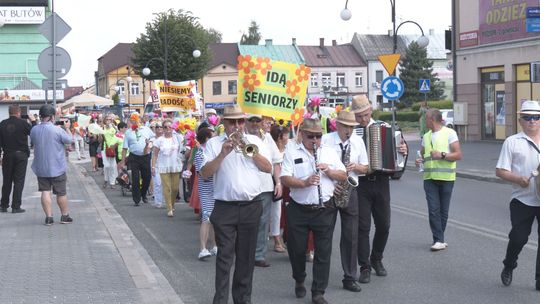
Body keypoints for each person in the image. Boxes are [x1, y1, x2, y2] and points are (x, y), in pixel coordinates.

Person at [200, 105, 272, 304]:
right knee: (224, 257)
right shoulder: (214, 143)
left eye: (241, 122)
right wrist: (222, 154)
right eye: (232, 122)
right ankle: (220, 300)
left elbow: (268, 168)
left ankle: (242, 299)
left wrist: (251, 152)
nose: (237, 126)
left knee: (246, 258)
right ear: (224, 123)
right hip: (225, 207)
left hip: (251, 206)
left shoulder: (255, 141)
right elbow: (204, 173)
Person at [281, 118, 346, 304]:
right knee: (297, 249)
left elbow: (343, 174)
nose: (315, 140)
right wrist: (304, 182)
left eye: (319, 136)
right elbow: (285, 178)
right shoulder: (291, 152)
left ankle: (318, 291)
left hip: (325, 208)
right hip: (298, 208)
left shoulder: (329, 152)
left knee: (323, 252)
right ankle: (299, 278)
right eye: (311, 136)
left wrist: (329, 172)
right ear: (302, 134)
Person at [350, 94, 408, 284]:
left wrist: (402, 151)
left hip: (382, 182)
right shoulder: (353, 133)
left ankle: (377, 258)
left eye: (365, 115)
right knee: (363, 227)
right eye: (359, 117)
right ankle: (364, 266)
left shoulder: (385, 128)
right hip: (361, 184)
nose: (363, 120)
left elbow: (399, 150)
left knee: (384, 225)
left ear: (371, 111)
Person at [321, 110, 368, 292]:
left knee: (351, 236)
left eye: (352, 127)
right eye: (346, 126)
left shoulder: (357, 141)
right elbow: (318, 165)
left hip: (351, 190)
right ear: (338, 125)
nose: (349, 130)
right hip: (330, 190)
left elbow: (366, 167)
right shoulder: (325, 140)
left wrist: (356, 167)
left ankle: (349, 277)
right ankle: (321, 276)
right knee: (324, 235)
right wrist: (333, 183)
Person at [496, 100, 540, 290]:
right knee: (518, 238)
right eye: (528, 117)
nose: (532, 121)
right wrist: (517, 178)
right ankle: (509, 264)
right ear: (520, 120)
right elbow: (500, 171)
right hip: (522, 199)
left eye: (536, 117)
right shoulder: (512, 142)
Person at [415, 109, 462, 251]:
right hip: (429, 179)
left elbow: (458, 155)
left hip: (447, 178)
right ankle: (438, 240)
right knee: (433, 209)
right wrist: (419, 160)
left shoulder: (449, 133)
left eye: (426, 119)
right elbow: (422, 155)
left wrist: (442, 155)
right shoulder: (426, 136)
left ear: (431, 119)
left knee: (443, 211)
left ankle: (439, 238)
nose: (424, 121)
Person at [245, 114, 282, 268]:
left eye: (257, 121)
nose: (254, 123)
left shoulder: (267, 138)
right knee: (246, 222)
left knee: (262, 221)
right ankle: (245, 253)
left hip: (265, 187)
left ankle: (259, 255)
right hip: (246, 187)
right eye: (251, 121)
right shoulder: (242, 137)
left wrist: (278, 182)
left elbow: (276, 161)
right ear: (246, 122)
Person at [30, 104, 74, 225]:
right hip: (57, 167)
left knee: (45, 191)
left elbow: (32, 142)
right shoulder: (57, 130)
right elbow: (70, 140)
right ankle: (64, 216)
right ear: (51, 117)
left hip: (41, 167)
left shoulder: (34, 130)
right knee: (61, 192)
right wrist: (68, 128)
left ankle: (49, 218)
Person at [0, 105, 35, 213]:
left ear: (9, 112)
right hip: (21, 155)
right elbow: (34, 133)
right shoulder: (23, 123)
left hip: (7, 155)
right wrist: (33, 121)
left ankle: (3, 205)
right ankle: (16, 206)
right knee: (19, 181)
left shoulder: (2, 124)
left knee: (7, 181)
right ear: (19, 113)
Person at [120, 113, 154, 206]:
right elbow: (124, 148)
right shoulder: (128, 132)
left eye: (136, 119)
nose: (134, 121)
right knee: (135, 178)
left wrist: (149, 145)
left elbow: (153, 138)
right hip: (134, 157)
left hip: (145, 156)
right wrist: (123, 161)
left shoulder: (146, 129)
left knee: (147, 177)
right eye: (132, 120)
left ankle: (143, 194)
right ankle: (136, 199)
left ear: (139, 120)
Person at [194, 126, 217, 260]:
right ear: (206, 138)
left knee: (215, 219)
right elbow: (202, 174)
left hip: (217, 187)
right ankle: (203, 248)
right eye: (212, 136)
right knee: (207, 218)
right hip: (207, 188)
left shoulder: (212, 151)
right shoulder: (200, 153)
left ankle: (214, 246)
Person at [152, 119, 183, 216]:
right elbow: (155, 154)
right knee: (167, 187)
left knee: (174, 189)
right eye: (165, 127)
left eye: (170, 127)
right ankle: (169, 208)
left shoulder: (178, 138)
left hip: (175, 165)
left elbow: (183, 150)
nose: (168, 129)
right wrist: (153, 166)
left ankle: (172, 204)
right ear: (163, 129)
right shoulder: (159, 140)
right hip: (163, 166)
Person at [269, 123, 290, 253]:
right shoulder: (272, 150)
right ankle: (276, 239)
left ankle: (283, 236)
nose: (289, 137)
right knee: (275, 212)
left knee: (286, 213)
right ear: (280, 137)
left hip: (288, 185)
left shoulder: (289, 149)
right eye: (286, 134)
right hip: (274, 183)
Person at [102, 115, 119, 189]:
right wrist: (100, 134)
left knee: (112, 166)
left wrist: (114, 127)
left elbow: (118, 136)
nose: (108, 121)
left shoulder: (113, 128)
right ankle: (106, 180)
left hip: (112, 149)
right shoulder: (102, 128)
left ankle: (112, 182)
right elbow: (99, 140)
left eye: (110, 119)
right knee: (106, 166)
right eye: (107, 119)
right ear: (105, 121)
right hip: (105, 148)